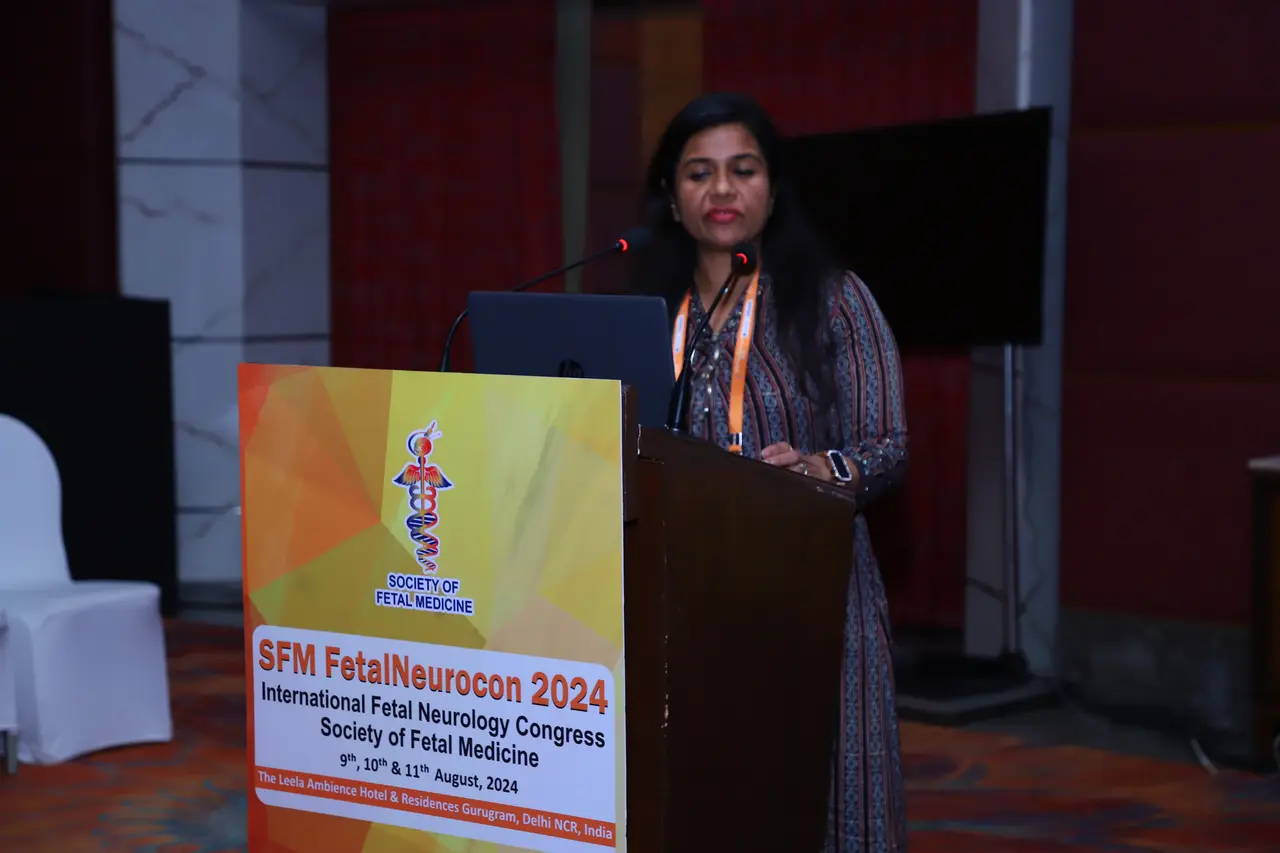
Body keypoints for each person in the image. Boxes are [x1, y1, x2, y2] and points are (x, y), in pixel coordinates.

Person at [633, 92, 909, 852]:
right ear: (672, 198)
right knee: (703, 790)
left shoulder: (834, 299)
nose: (722, 189)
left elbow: (888, 444)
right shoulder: (643, 310)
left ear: (774, 188)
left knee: (830, 788)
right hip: (683, 591)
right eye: (699, 173)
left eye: (743, 170)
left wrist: (823, 466)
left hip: (812, 585)